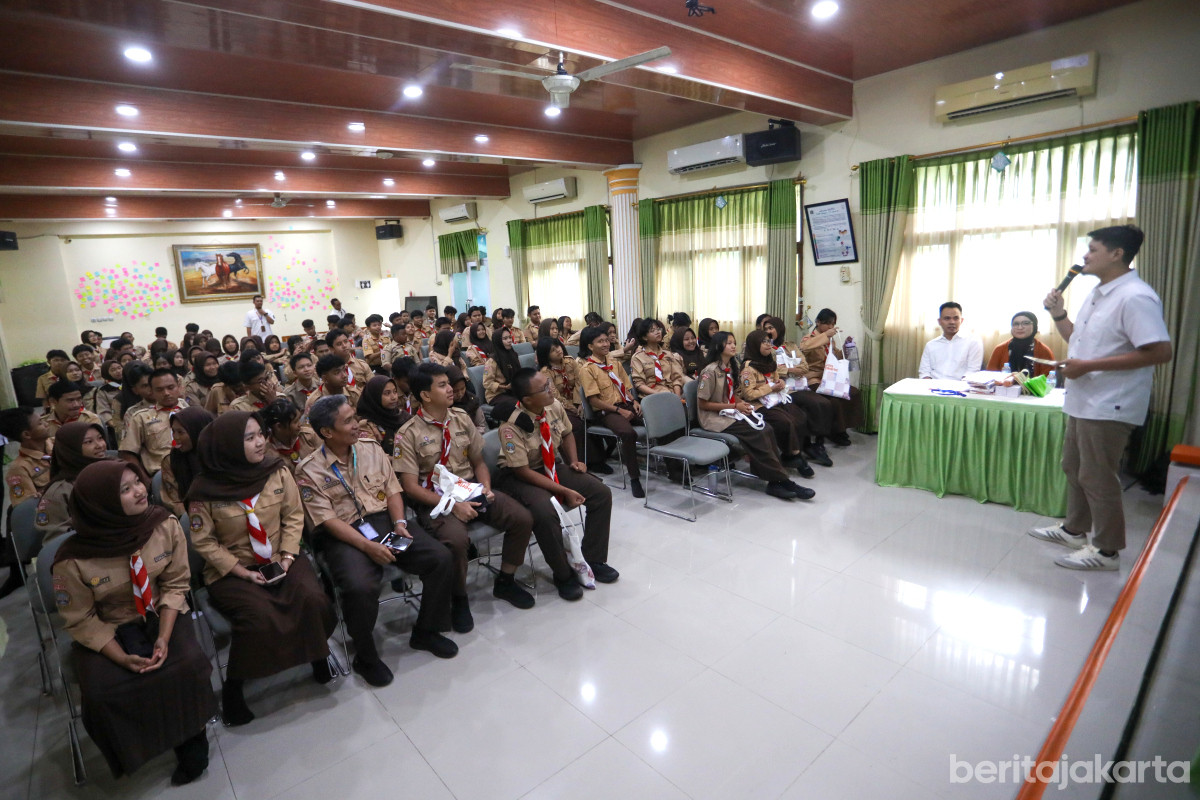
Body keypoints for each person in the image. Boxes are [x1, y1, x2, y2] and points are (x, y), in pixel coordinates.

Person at [51, 461, 216, 785]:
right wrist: (120, 656)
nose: (140, 490)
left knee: (187, 665)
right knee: (102, 693)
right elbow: (81, 618)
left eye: (138, 482)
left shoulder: (163, 524)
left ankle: (192, 739)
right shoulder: (73, 558)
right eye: (125, 489)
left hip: (160, 611)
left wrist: (164, 636)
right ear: (101, 504)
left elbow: (175, 583)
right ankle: (139, 749)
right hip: (109, 626)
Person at [1030, 225, 1172, 571]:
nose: (1085, 256)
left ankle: (1107, 552)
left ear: (1117, 254)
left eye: (1093, 249)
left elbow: (1160, 351)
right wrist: (1058, 314)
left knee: (1098, 476)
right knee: (1074, 467)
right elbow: (1079, 340)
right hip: (1084, 399)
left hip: (1110, 404)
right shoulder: (1100, 293)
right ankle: (1074, 530)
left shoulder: (1135, 297)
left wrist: (1089, 366)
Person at [186, 411, 337, 725]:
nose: (260, 442)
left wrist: (287, 557)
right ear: (227, 445)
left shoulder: (276, 470)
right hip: (233, 568)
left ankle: (317, 653)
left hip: (282, 555)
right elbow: (204, 541)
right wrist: (241, 571)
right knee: (258, 618)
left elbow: (293, 516)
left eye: (260, 434)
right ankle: (235, 685)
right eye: (249, 438)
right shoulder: (203, 490)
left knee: (313, 599)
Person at [297, 395, 458, 686]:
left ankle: (426, 631)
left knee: (440, 558)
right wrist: (368, 546)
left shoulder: (370, 448)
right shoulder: (309, 470)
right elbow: (328, 521)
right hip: (343, 534)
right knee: (360, 586)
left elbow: (393, 490)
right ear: (327, 432)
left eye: (354, 417)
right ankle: (366, 656)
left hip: (384, 520)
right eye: (348, 421)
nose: (357, 425)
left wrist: (400, 523)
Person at [394, 364, 536, 631]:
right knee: (457, 541)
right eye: (442, 385)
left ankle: (506, 580)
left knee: (522, 518)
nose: (451, 389)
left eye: (449, 383)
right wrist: (452, 505)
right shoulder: (408, 433)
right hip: (435, 499)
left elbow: (478, 461)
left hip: (469, 487)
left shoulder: (460, 417)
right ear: (425, 395)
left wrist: (486, 487)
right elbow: (410, 487)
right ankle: (459, 598)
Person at [496, 368, 620, 600]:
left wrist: (574, 461)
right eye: (544, 388)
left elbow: (567, 433)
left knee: (601, 493)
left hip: (551, 464)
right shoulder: (510, 427)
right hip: (521, 475)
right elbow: (522, 471)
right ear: (527, 399)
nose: (550, 389)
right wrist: (563, 490)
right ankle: (563, 574)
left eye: (548, 384)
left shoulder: (553, 406)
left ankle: (593, 559)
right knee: (545, 512)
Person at [696, 333, 812, 500]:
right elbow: (703, 404)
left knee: (767, 428)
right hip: (714, 418)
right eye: (728, 343)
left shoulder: (730, 367)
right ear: (718, 346)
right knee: (758, 433)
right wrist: (734, 406)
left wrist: (741, 404)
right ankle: (780, 481)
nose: (733, 346)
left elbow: (731, 394)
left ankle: (776, 479)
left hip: (730, 411)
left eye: (734, 342)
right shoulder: (710, 371)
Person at [577, 326, 645, 497]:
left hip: (625, 404)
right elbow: (594, 401)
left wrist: (634, 401)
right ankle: (634, 478)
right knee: (628, 433)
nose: (606, 344)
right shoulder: (587, 369)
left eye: (606, 340)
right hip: (606, 412)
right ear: (590, 346)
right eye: (600, 341)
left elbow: (626, 387)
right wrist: (619, 410)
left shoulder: (614, 363)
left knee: (654, 422)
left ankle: (672, 468)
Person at [739, 331, 818, 471]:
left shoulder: (769, 362)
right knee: (785, 422)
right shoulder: (748, 368)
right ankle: (793, 455)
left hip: (774, 399)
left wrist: (780, 382)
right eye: (763, 342)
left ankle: (794, 451)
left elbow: (776, 379)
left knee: (799, 415)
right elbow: (749, 394)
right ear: (755, 345)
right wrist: (770, 387)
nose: (768, 345)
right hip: (759, 405)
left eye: (769, 341)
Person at [35, 421, 112, 540]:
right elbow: (57, 541)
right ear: (71, 449)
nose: (100, 445)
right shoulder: (61, 491)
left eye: (100, 438)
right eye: (88, 442)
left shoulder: (114, 469)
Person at [800, 308, 865, 443]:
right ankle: (835, 432)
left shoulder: (831, 341)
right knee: (834, 400)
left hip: (830, 378)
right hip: (814, 379)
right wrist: (825, 336)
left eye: (833, 324)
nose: (831, 327)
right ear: (818, 322)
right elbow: (804, 348)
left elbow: (836, 357)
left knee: (853, 393)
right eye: (827, 323)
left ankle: (843, 427)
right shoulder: (809, 338)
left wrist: (846, 347)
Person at [119, 368, 189, 475]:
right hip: (160, 474)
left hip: (192, 470)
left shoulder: (191, 412)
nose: (166, 393)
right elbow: (128, 452)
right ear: (152, 391)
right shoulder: (140, 418)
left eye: (171, 388)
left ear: (178, 387)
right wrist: (144, 479)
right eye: (159, 390)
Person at [161, 407, 214, 517]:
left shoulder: (218, 455)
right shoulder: (172, 459)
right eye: (173, 431)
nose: (175, 437)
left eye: (180, 432)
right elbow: (175, 500)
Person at [918, 302, 984, 379]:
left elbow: (972, 372)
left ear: (961, 320)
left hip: (960, 385)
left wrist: (959, 386)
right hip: (933, 385)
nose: (952, 322)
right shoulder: (931, 345)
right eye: (947, 318)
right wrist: (928, 385)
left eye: (956, 318)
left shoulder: (973, 342)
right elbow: (924, 372)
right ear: (939, 321)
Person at [629, 318, 685, 399]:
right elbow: (639, 384)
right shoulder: (638, 357)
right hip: (651, 396)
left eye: (658, 329)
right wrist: (659, 395)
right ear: (644, 337)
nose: (658, 332)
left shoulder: (668, 355)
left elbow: (676, 378)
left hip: (670, 394)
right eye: (652, 330)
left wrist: (677, 397)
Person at [986, 311, 1056, 376]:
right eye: (1016, 324)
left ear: (1034, 326)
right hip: (1004, 385)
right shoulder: (1000, 349)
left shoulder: (1043, 351)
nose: (1020, 327)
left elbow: (1048, 380)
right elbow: (990, 376)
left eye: (1025, 323)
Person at [355, 375, 412, 454]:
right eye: (387, 393)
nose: (393, 397)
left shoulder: (403, 416)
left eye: (395, 392)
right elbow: (372, 455)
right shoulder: (367, 425)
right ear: (375, 396)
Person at [483, 327, 521, 406]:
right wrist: (504, 387)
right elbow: (487, 383)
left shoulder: (513, 355)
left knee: (532, 396)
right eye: (505, 338)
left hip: (512, 390)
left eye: (510, 337)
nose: (509, 340)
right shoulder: (492, 361)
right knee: (518, 404)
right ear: (498, 341)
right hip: (496, 395)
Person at [447, 366, 486, 434]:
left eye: (462, 389)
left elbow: (481, 426)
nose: (460, 394)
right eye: (455, 391)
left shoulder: (472, 400)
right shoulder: (444, 405)